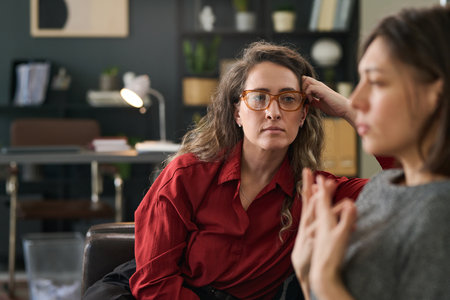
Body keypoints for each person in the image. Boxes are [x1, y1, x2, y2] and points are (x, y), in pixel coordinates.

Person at [129, 41, 391, 300]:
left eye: (288, 99)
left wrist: (349, 111)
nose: (273, 112)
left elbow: (412, 184)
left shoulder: (316, 192)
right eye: (259, 98)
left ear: (302, 116)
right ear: (237, 114)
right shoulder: (186, 174)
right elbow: (154, 284)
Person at [291, 4, 450, 300]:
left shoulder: (440, 216)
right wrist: (306, 273)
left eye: (375, 82)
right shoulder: (382, 186)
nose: (356, 99)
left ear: (434, 94)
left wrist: (324, 281)